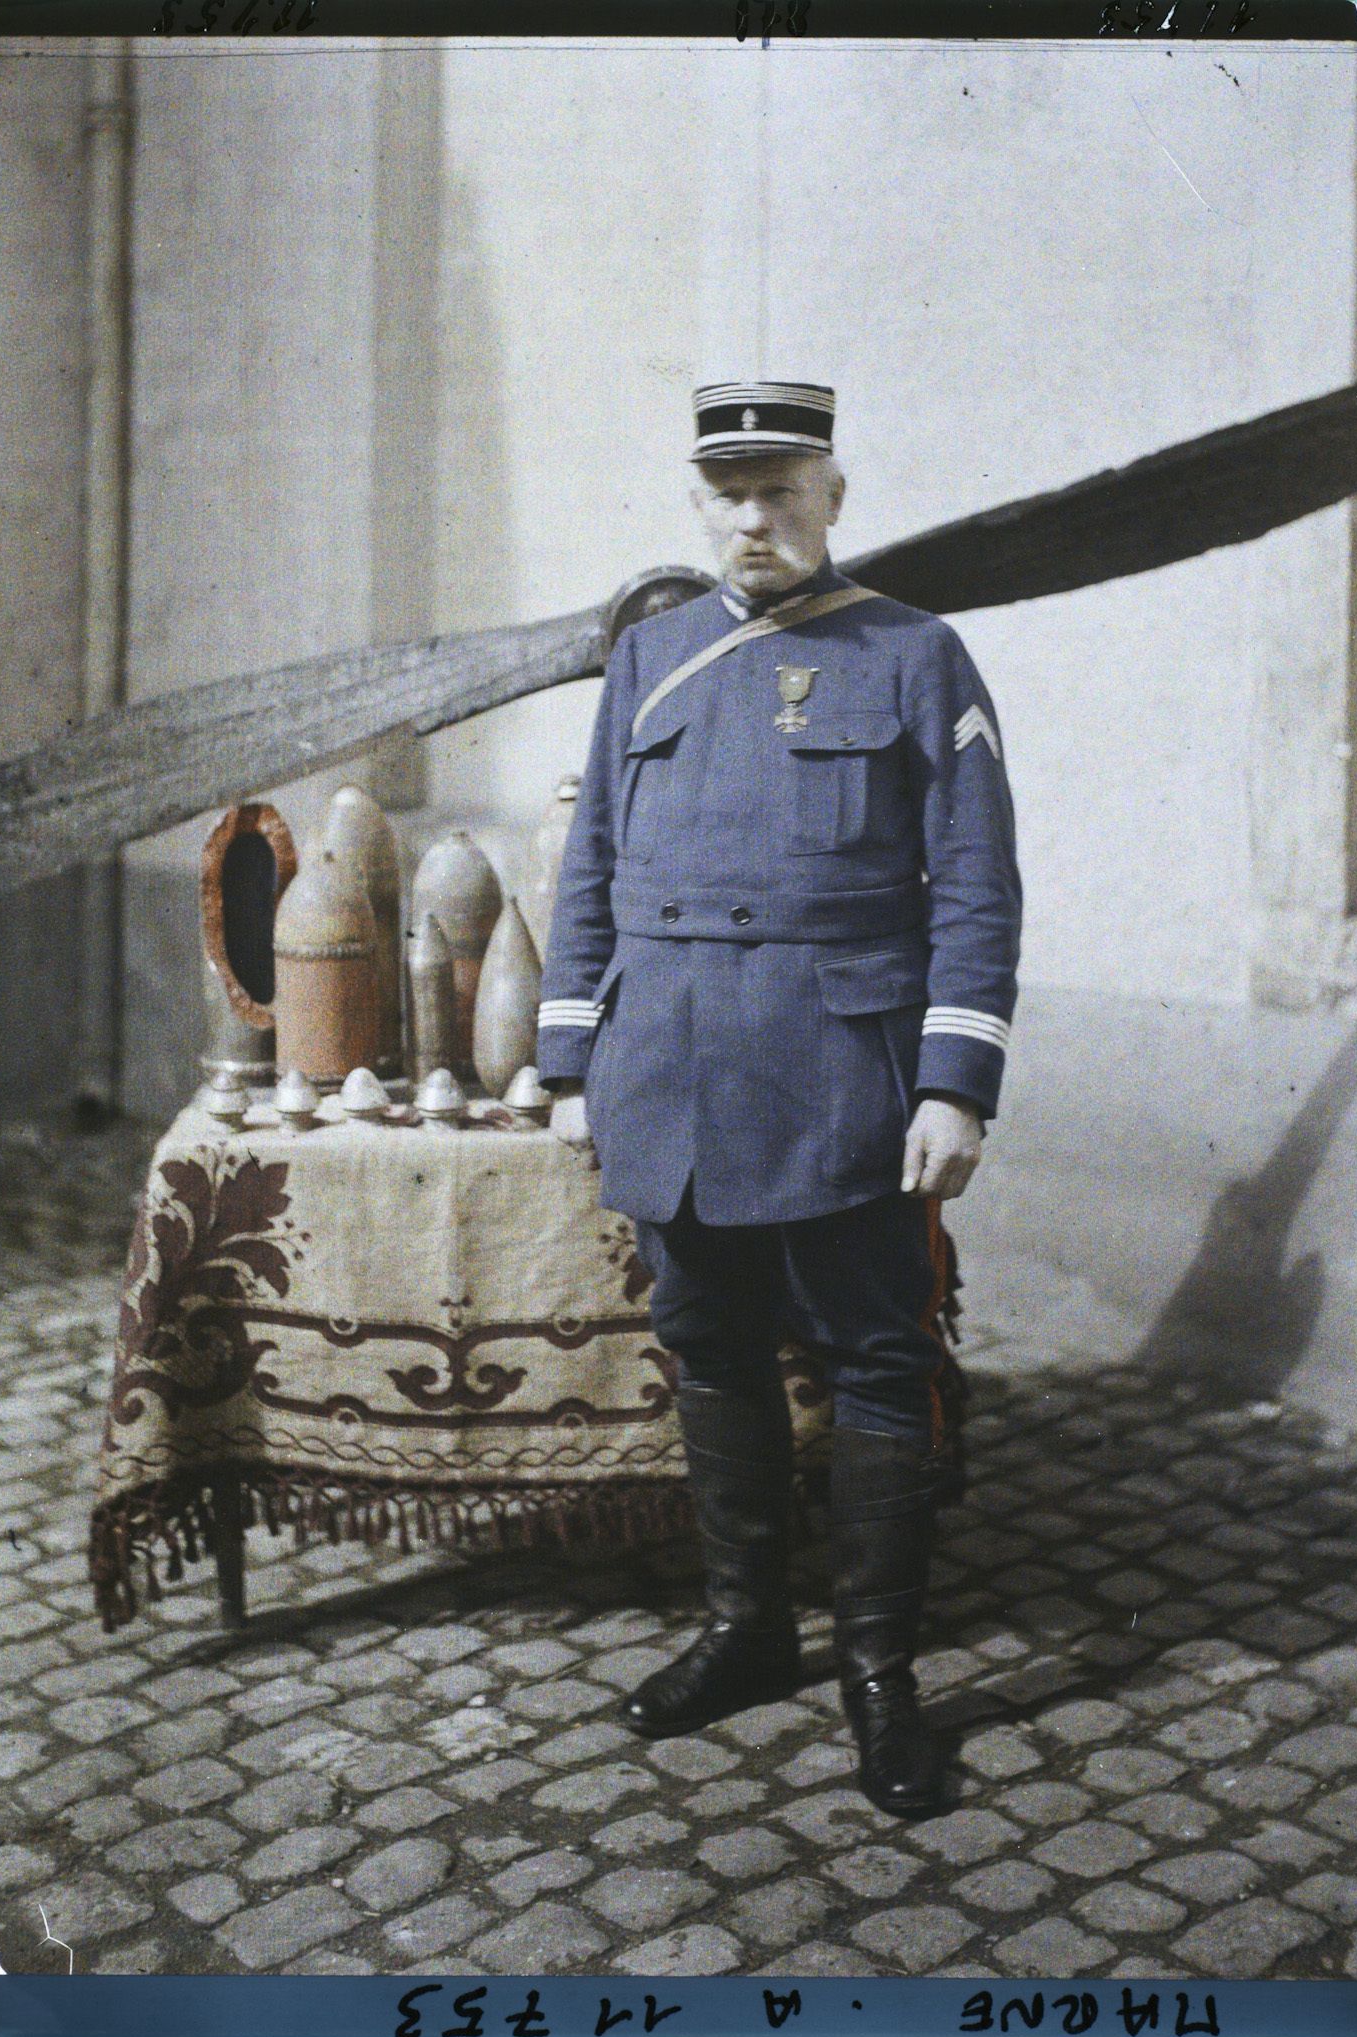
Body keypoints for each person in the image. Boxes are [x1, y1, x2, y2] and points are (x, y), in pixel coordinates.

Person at [536, 380, 1021, 1817]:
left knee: (878, 1355)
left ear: (832, 496)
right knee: (710, 1342)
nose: (756, 518)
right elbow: (594, 872)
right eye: (730, 494)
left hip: (839, 1077)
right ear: (699, 505)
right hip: (670, 1071)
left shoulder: (916, 656)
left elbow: (980, 888)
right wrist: (572, 1062)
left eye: (783, 489)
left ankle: (881, 1676)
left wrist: (953, 1083)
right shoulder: (654, 658)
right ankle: (748, 1633)